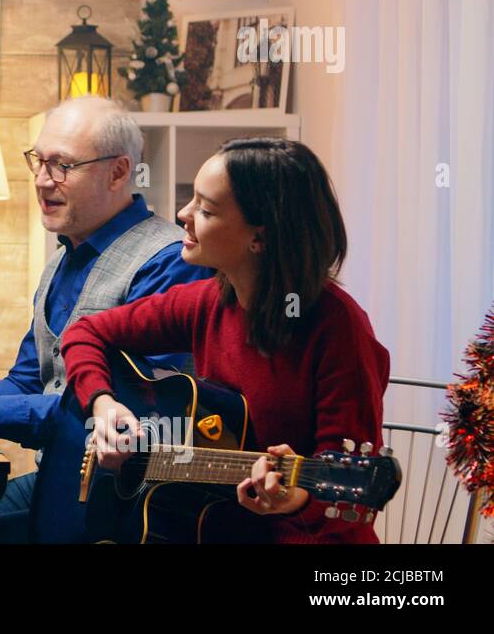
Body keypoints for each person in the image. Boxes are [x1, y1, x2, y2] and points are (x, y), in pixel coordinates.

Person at [0, 98, 213, 543]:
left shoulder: (168, 261)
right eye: (39, 161)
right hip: (56, 480)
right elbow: (27, 383)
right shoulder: (60, 260)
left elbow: (137, 413)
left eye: (62, 166)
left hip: (120, 501)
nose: (41, 180)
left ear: (118, 172)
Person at [62, 137, 389, 543]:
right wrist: (104, 403)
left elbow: (345, 501)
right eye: (191, 201)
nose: (183, 215)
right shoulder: (208, 301)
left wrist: (296, 499)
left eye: (206, 209)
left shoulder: (338, 328)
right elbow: (85, 332)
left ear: (260, 237)